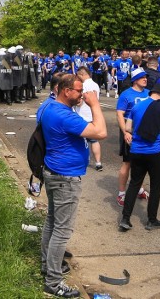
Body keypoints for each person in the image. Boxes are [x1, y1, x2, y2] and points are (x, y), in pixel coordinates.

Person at [40, 74, 107, 298]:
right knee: (62, 230)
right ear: (65, 91)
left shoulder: (48, 106)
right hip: (65, 177)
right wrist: (95, 105)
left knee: (52, 221)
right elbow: (101, 133)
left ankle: (47, 264)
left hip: (52, 171)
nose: (82, 94)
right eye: (78, 91)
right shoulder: (64, 116)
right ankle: (53, 281)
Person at [119, 83, 160, 232]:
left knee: (135, 184)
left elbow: (128, 128)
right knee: (156, 187)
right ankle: (151, 220)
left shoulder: (136, 107)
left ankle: (125, 218)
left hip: (136, 151)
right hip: (155, 152)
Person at [116, 68, 151, 206]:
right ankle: (122, 193)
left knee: (141, 163)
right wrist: (125, 132)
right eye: (142, 77)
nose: (145, 79)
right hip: (130, 132)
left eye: (146, 77)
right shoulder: (126, 95)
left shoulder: (149, 93)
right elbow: (119, 114)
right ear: (135, 80)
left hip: (145, 133)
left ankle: (139, 189)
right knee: (128, 162)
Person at [74, 66, 104, 171]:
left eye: (78, 75)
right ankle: (98, 163)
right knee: (94, 141)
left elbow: (79, 102)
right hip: (93, 115)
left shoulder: (83, 85)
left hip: (82, 116)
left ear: (82, 74)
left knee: (81, 141)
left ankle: (82, 161)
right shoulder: (95, 85)